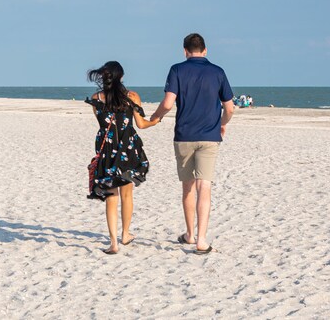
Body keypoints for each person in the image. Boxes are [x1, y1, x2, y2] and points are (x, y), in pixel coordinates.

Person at [150, 33, 234, 255]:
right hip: (209, 136)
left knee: (187, 186)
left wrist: (155, 117)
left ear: (185, 51)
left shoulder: (177, 69)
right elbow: (230, 108)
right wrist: (222, 124)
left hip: (184, 135)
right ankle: (202, 240)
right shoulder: (218, 72)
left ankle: (189, 233)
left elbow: (168, 103)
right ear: (205, 51)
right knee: (204, 186)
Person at [85, 61, 160, 254]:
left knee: (111, 197)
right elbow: (141, 124)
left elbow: (104, 124)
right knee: (127, 194)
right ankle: (125, 234)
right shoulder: (132, 97)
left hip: (107, 151)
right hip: (127, 149)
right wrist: (155, 121)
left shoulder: (96, 98)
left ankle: (113, 243)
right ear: (121, 77)